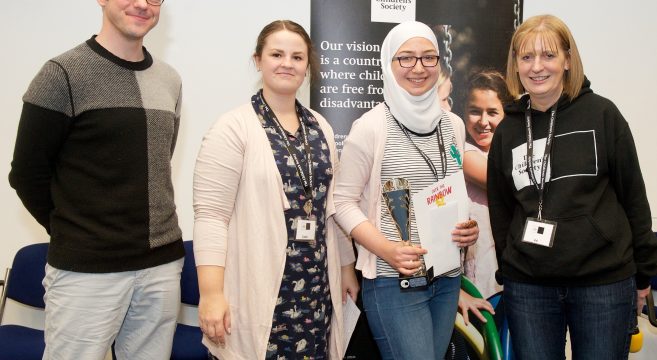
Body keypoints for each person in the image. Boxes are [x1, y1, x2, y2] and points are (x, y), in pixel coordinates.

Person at [8, 0, 184, 359]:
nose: (142, 4)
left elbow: (156, 163)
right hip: (86, 271)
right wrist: (75, 230)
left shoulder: (170, 79)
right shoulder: (62, 73)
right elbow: (27, 174)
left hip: (161, 268)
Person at [487, 14, 657, 359]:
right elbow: (501, 207)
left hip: (603, 284)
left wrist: (645, 275)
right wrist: (510, 267)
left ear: (567, 60)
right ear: (515, 65)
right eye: (527, 57)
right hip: (529, 286)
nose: (537, 67)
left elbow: (634, 199)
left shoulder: (602, 115)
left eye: (548, 55)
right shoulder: (508, 130)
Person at [193, 20, 359, 359]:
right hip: (261, 287)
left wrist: (345, 268)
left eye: (297, 57)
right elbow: (211, 217)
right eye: (276, 54)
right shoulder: (232, 129)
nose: (287, 63)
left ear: (307, 65)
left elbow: (333, 205)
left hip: (315, 291)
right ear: (258, 60)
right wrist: (211, 294)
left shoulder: (320, 127)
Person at [333, 21, 479, 359]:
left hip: (446, 278)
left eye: (429, 58)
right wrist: (387, 249)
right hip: (394, 282)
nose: (419, 68)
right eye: (406, 58)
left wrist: (466, 226)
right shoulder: (370, 127)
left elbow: (447, 190)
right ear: (389, 63)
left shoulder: (452, 125)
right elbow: (342, 202)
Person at [462, 69, 512, 299]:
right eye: (475, 112)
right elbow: (510, 185)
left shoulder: (508, 152)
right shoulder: (463, 153)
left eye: (492, 112)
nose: (483, 122)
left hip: (511, 270)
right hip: (481, 273)